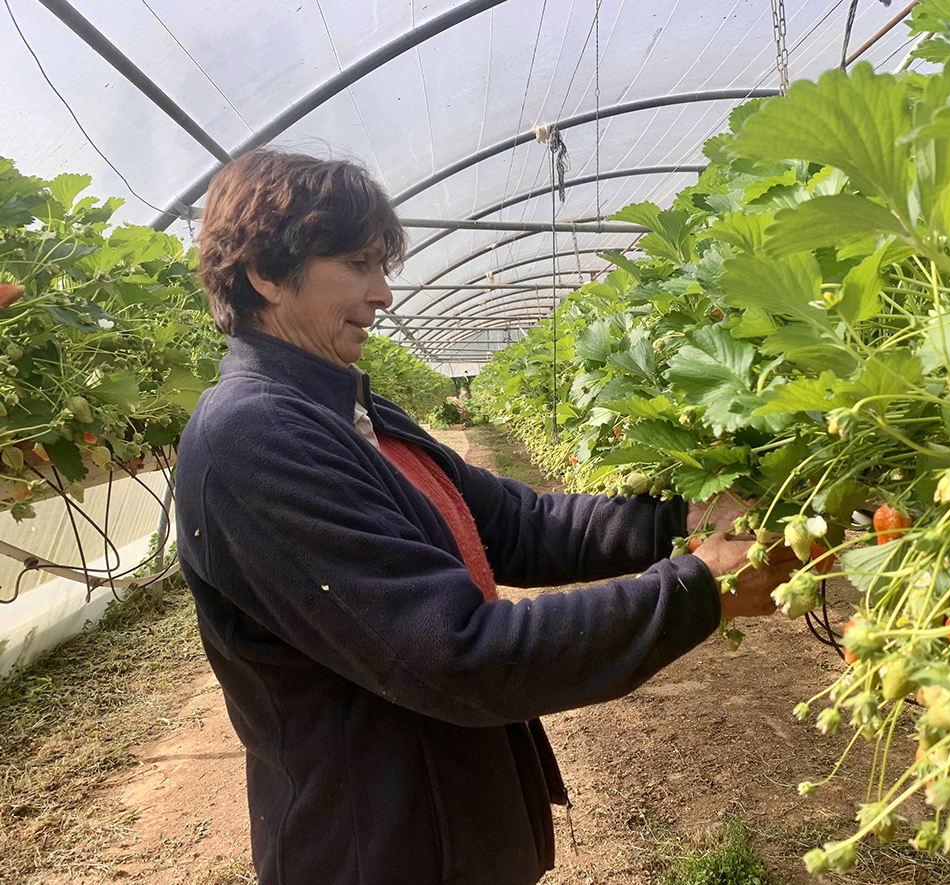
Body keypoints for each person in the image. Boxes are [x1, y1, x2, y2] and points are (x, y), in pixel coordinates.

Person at [175, 149, 799, 885]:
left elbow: (514, 524)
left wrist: (685, 514)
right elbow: (456, 653)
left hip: (449, 828)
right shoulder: (255, 435)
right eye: (357, 263)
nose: (384, 293)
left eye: (383, 265)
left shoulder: (348, 409)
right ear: (265, 274)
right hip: (376, 851)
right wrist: (699, 587)